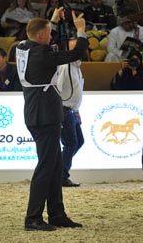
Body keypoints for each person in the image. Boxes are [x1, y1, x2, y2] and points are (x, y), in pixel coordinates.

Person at [17, 9, 87, 231]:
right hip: (45, 115)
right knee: (46, 167)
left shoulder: (23, 47)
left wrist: (53, 22)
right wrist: (81, 31)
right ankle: (33, 217)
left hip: (39, 112)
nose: (51, 37)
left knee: (55, 166)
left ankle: (57, 214)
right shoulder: (42, 54)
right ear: (40, 36)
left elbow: (43, 42)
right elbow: (76, 54)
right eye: (48, 33)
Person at [57, 36, 85, 187]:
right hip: (64, 109)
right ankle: (61, 175)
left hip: (72, 110)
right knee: (71, 143)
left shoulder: (77, 67)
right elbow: (57, 88)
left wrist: (77, 110)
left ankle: (59, 170)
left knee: (78, 141)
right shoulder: (64, 67)